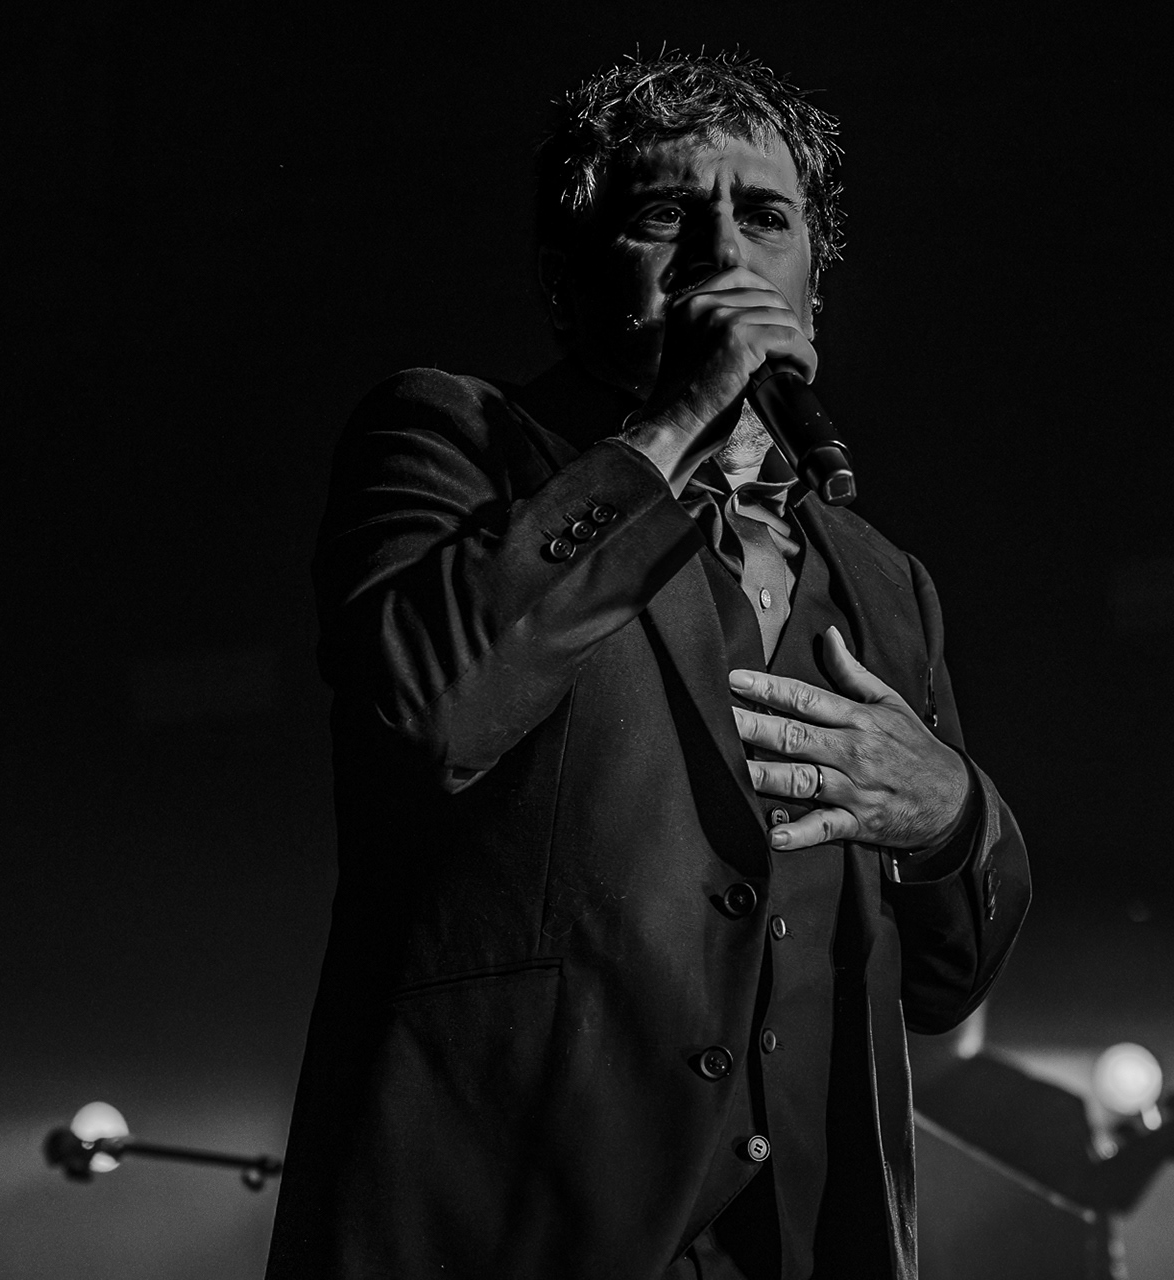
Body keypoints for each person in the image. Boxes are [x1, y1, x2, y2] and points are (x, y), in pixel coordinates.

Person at [266, 50, 1030, 1280]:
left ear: (814, 280)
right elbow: (428, 708)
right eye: (670, 215)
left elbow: (947, 978)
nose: (727, 252)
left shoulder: (881, 576)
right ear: (565, 278)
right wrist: (670, 426)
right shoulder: (451, 439)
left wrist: (950, 813)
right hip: (511, 1237)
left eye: (766, 217)